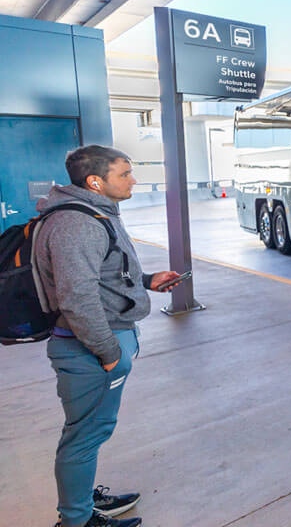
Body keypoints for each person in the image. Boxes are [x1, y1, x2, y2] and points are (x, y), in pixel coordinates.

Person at [34, 145, 185, 527]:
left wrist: (147, 281)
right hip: (88, 349)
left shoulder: (94, 212)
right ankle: (77, 520)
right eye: (125, 173)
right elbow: (76, 298)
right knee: (84, 435)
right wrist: (109, 353)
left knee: (89, 431)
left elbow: (102, 275)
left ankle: (81, 500)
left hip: (98, 343)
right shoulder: (77, 223)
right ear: (95, 181)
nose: (134, 180)